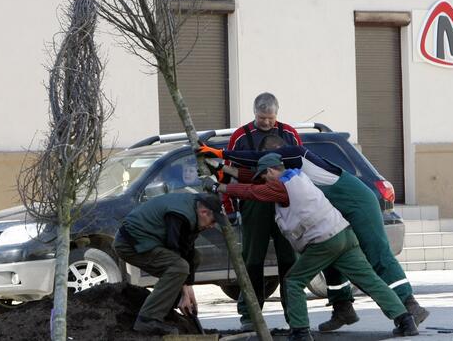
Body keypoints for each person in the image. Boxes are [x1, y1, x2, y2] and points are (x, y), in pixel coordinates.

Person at [201, 139, 430, 330]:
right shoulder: (292, 175)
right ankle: (376, 314)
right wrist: (223, 168)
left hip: (354, 207)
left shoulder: (295, 163)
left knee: (373, 255)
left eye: (266, 164)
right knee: (359, 275)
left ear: (278, 158)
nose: (261, 173)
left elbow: (254, 189)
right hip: (339, 230)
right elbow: (255, 178)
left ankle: (409, 303)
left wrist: (222, 163)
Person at [224, 92, 301, 331]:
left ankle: (295, 315)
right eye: (261, 118)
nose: (266, 122)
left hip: (284, 200)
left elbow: (302, 166)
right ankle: (250, 314)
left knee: (289, 259)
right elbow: (228, 171)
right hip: (253, 202)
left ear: (277, 114)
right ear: (254, 113)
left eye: (270, 118)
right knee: (252, 259)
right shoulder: (240, 136)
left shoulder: (289, 133)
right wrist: (228, 207)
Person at [112, 192, 224, 335]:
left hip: (147, 242)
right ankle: (147, 320)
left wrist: (189, 291)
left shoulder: (193, 210)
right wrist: (185, 293)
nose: (212, 226)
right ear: (204, 212)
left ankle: (166, 310)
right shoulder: (179, 215)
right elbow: (175, 250)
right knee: (179, 267)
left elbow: (187, 250)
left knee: (195, 257)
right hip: (129, 244)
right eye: (213, 221)